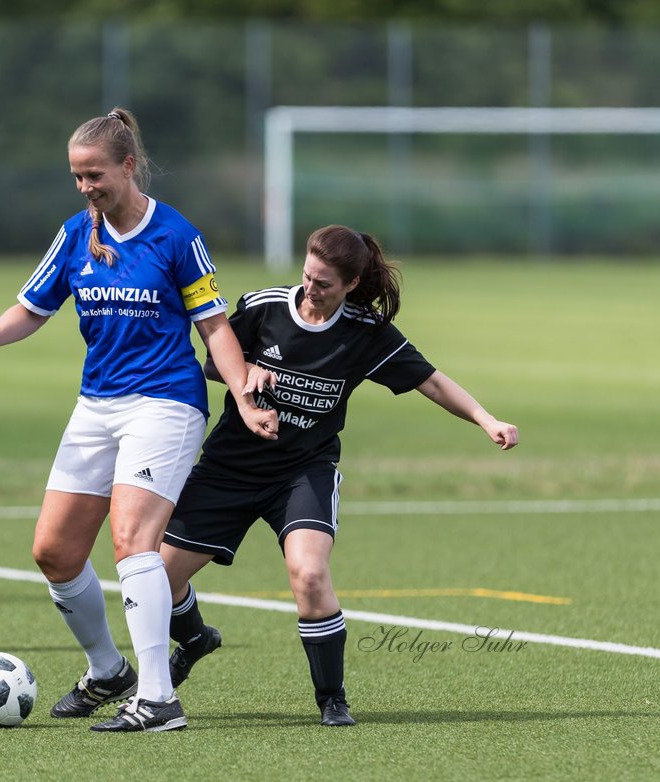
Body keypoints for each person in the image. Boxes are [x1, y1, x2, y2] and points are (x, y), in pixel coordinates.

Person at [0, 107, 277, 732]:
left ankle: (159, 698)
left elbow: (213, 325)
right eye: (76, 176)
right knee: (53, 552)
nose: (85, 187)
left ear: (128, 165)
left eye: (94, 173)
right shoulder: (77, 232)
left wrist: (241, 394)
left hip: (166, 404)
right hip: (96, 407)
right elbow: (34, 306)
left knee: (133, 542)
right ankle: (108, 671)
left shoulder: (177, 235)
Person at [161, 224, 519, 726]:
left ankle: (332, 698)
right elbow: (213, 363)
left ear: (351, 284)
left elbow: (431, 382)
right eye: (308, 275)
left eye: (325, 282)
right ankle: (196, 639)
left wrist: (487, 419)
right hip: (230, 467)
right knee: (159, 580)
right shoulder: (264, 306)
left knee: (309, 574)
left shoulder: (365, 333)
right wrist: (248, 372)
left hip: (302, 472)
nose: (311, 288)